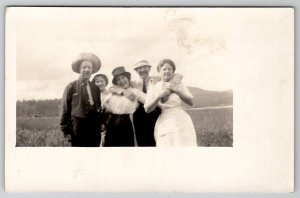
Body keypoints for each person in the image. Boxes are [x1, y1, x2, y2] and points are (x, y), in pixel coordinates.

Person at [144, 59, 197, 146]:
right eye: (164, 69)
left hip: (181, 119)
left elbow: (191, 102)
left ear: (173, 71)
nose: (167, 71)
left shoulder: (178, 84)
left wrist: (177, 91)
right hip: (165, 120)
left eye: (170, 69)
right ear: (159, 71)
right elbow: (147, 109)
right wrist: (159, 96)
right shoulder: (154, 87)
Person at [60, 53, 102, 147]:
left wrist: (101, 123)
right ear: (79, 69)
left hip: (94, 129)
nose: (86, 70)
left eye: (89, 67)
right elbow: (65, 109)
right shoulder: (71, 87)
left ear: (92, 70)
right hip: (78, 129)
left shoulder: (95, 88)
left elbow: (99, 108)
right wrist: (66, 131)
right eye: (84, 67)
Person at [102, 66, 145, 147]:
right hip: (112, 123)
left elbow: (147, 100)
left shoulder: (135, 91)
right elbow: (103, 101)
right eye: (118, 79)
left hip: (127, 123)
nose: (121, 81)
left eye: (123, 77)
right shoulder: (113, 91)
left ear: (128, 78)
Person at [131, 60, 161, 146]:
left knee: (157, 139)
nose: (142, 70)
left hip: (156, 113)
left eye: (144, 67)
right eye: (139, 68)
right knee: (142, 141)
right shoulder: (133, 83)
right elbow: (115, 86)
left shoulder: (158, 79)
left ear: (149, 68)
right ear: (136, 71)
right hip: (140, 115)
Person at [92, 74, 110, 147]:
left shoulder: (111, 93)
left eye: (102, 81)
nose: (100, 83)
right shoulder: (93, 95)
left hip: (110, 122)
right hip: (97, 125)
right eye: (97, 82)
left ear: (105, 82)